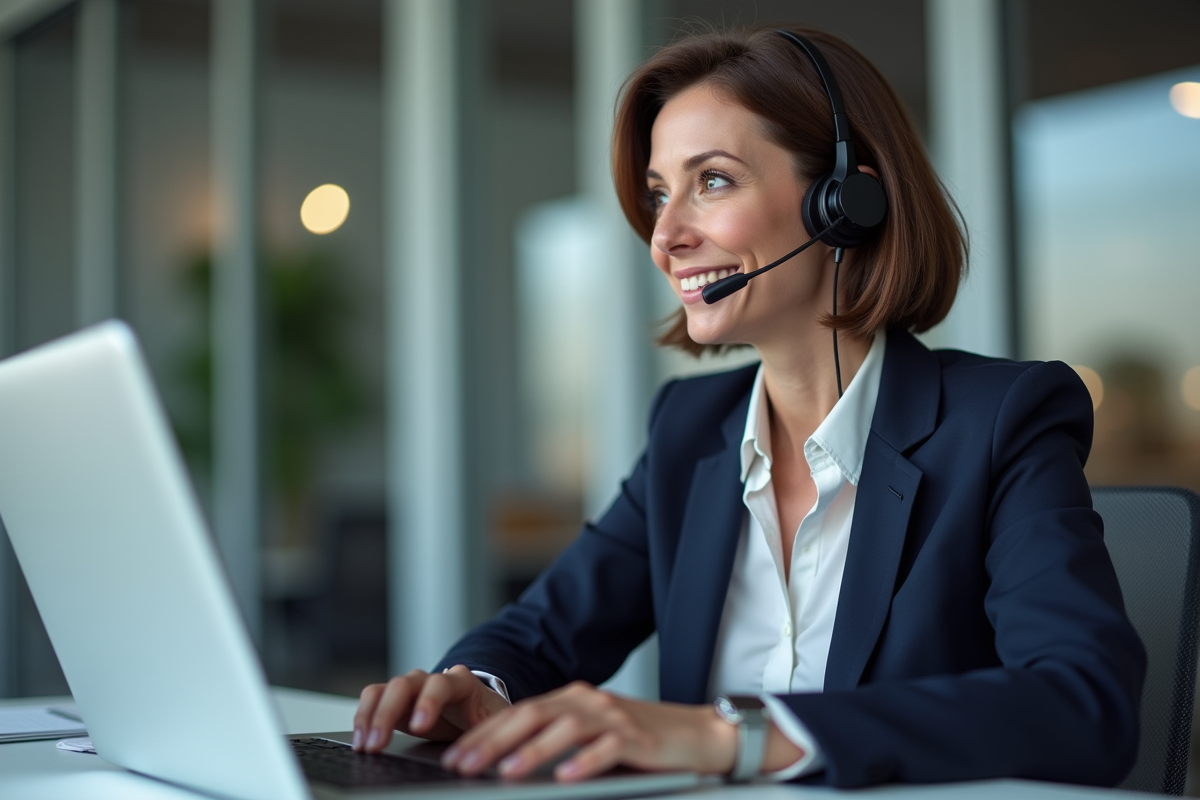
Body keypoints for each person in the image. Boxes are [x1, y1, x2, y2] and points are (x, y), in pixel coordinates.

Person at [353, 25, 1146, 788]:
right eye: (660, 194)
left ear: (843, 204)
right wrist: (469, 689)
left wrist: (729, 738)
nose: (665, 236)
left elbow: (1084, 707)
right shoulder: (691, 430)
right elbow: (543, 632)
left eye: (713, 181)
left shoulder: (1000, 419)